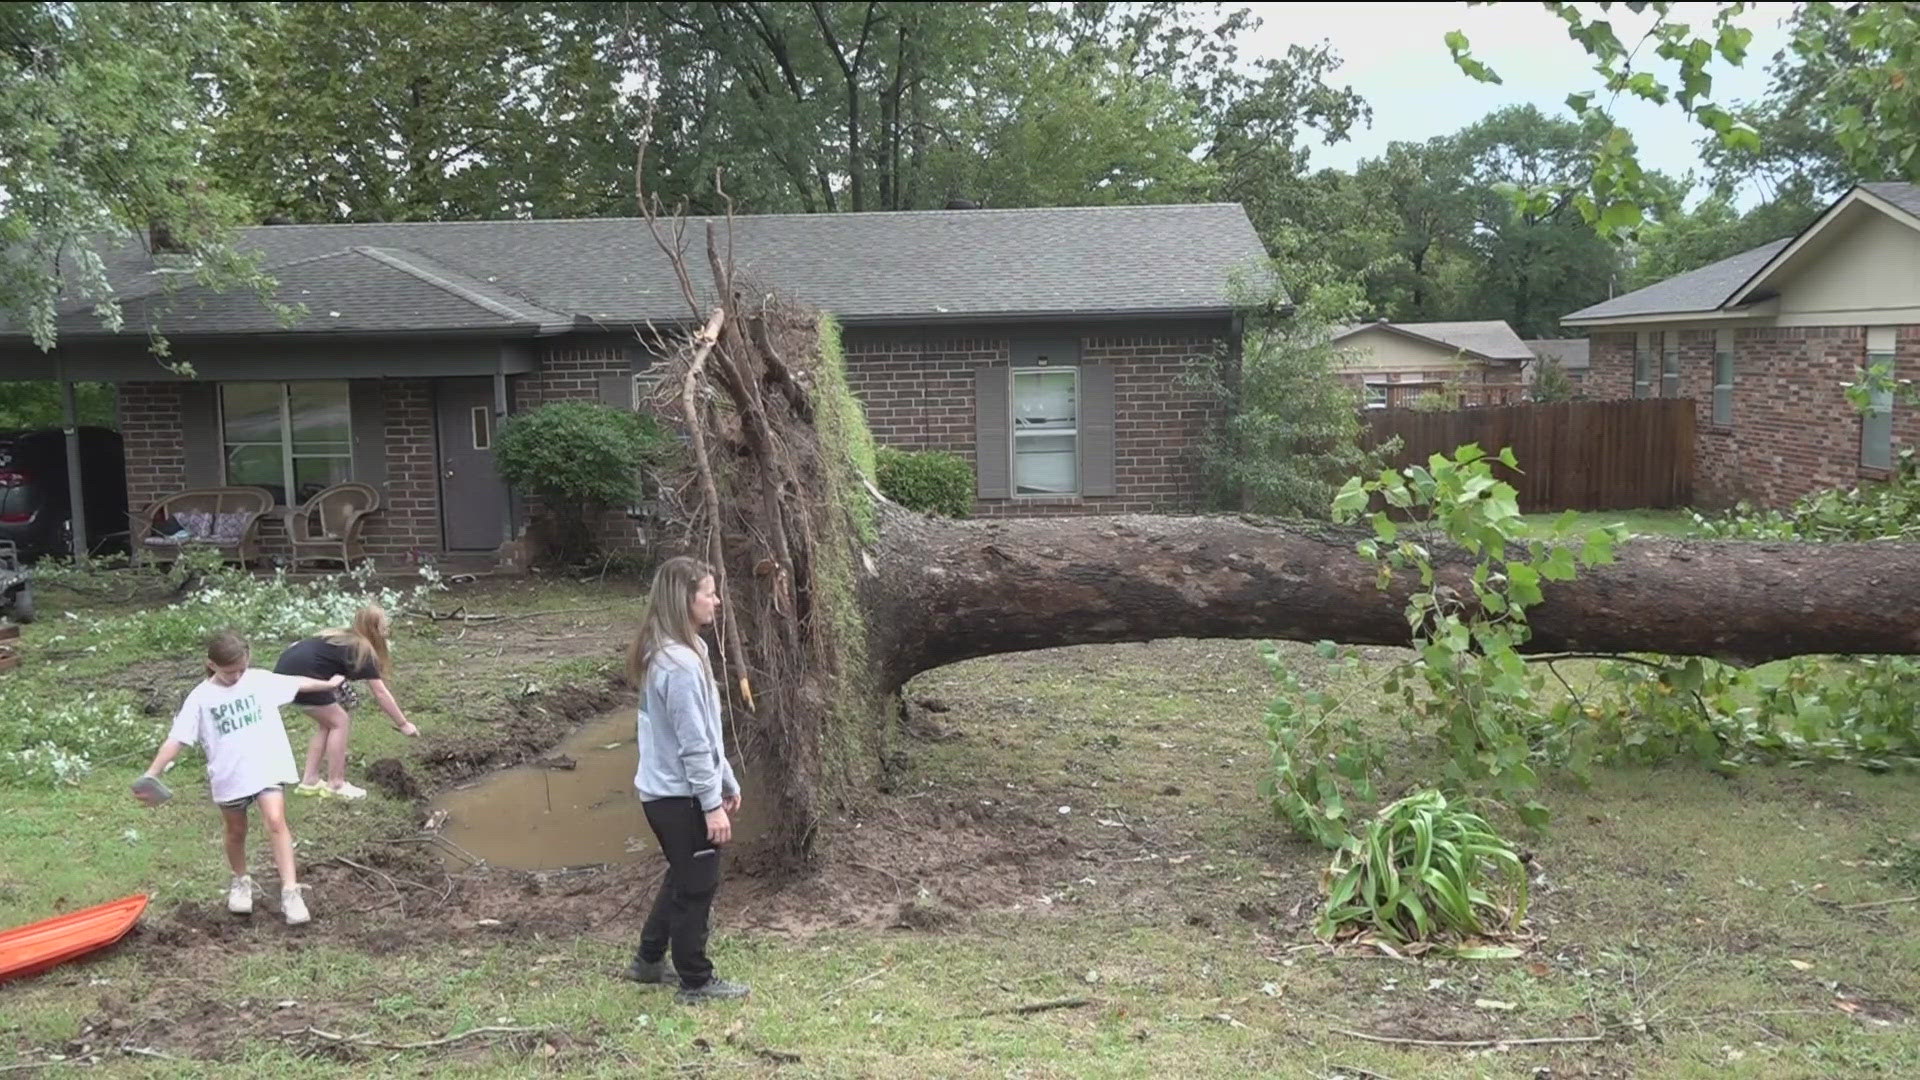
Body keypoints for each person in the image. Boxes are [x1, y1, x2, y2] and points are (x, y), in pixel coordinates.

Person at [134, 631, 345, 926]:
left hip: (265, 765)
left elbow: (296, 683)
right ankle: (241, 880)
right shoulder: (201, 698)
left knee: (275, 820)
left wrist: (329, 683)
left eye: (241, 669)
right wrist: (152, 773)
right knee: (236, 830)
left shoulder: (258, 680)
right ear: (211, 664)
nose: (236, 677)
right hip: (230, 774)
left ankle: (290, 891)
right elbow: (177, 739)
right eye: (229, 671)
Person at [622, 556, 749, 1004]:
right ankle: (695, 980)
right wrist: (711, 804)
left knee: (684, 874)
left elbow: (708, 731)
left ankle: (648, 961)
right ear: (684, 599)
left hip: (677, 793)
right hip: (677, 797)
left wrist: (726, 779)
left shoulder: (691, 649)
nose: (717, 601)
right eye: (709, 593)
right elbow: (692, 744)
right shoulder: (676, 664)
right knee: (697, 884)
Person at [273, 604, 419, 800]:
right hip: (303, 677)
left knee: (327, 724)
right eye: (385, 626)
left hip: (285, 674)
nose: (388, 630)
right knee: (339, 721)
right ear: (376, 630)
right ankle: (336, 784)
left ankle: (310, 781)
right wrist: (403, 724)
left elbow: (299, 647)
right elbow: (380, 693)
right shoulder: (363, 649)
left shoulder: (340, 636)